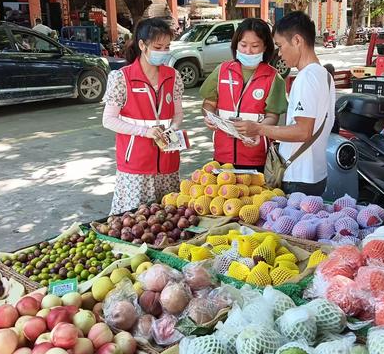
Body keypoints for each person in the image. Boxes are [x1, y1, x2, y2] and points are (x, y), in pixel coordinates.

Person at [234, 11, 336, 195]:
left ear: (297, 40)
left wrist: (258, 129)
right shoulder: (325, 75)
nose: (279, 54)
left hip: (299, 178)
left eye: (280, 46)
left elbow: (303, 131)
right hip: (316, 175)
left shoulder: (306, 78)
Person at [102, 18, 184, 214]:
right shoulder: (122, 77)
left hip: (168, 162)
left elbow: (178, 113)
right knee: (135, 222)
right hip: (136, 166)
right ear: (142, 45)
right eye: (158, 47)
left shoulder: (173, 77)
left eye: (167, 47)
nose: (163, 52)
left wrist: (172, 129)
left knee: (169, 221)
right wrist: (145, 132)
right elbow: (108, 120)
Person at [200, 17, 288, 171]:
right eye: (243, 45)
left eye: (255, 46)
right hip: (222, 155)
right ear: (236, 45)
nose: (248, 51)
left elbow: (273, 116)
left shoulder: (274, 78)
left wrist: (257, 130)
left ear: (265, 47)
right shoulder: (222, 71)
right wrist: (208, 116)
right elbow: (209, 103)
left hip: (256, 156)